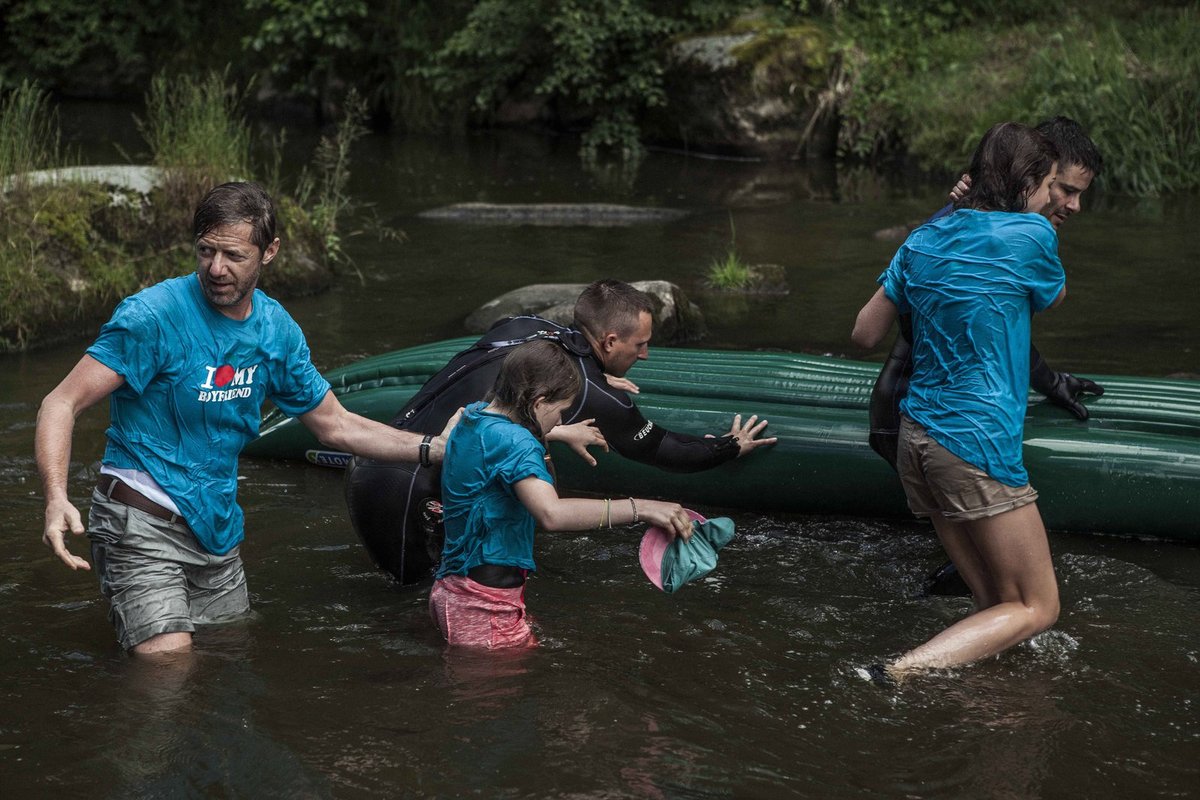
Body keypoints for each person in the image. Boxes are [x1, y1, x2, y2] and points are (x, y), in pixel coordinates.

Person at [36, 181, 455, 656]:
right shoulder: (151, 317)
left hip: (216, 529)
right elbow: (60, 403)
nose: (216, 269)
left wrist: (433, 448)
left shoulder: (275, 331)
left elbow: (337, 425)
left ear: (269, 251)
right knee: (167, 670)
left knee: (228, 657)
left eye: (233, 255)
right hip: (140, 520)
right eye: (205, 251)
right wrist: (55, 496)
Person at [345, 279, 777, 584]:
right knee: (417, 614)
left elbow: (495, 397)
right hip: (403, 493)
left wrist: (592, 384)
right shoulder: (589, 391)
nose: (645, 355)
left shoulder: (521, 327)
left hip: (376, 458)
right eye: (639, 345)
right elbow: (663, 449)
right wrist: (727, 447)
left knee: (425, 599)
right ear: (608, 342)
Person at [850, 122, 1066, 678]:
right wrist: (1030, 224)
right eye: (1048, 187)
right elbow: (1054, 293)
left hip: (916, 440)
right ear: (1026, 185)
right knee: (1039, 607)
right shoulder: (1032, 236)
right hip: (975, 444)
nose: (1053, 200)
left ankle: (987, 710)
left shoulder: (921, 239)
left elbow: (863, 333)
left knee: (995, 607)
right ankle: (899, 670)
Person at [869, 117, 1104, 595]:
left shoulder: (968, 229)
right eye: (1063, 189)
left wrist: (1049, 380)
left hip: (922, 418)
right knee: (1026, 601)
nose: (1073, 205)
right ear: (1032, 176)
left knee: (994, 592)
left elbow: (993, 335)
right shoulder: (1014, 236)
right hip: (922, 412)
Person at [429, 339, 695, 649]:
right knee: (499, 691)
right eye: (560, 412)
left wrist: (558, 432)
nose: (561, 420)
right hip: (484, 606)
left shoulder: (473, 417)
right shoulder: (518, 444)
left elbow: (500, 435)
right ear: (539, 402)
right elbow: (551, 514)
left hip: (453, 590)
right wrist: (642, 508)